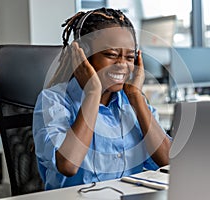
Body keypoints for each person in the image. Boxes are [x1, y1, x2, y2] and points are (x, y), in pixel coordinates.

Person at [33, 7, 172, 190]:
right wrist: (92, 93)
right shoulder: (54, 101)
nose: (122, 65)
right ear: (82, 55)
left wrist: (136, 97)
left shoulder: (132, 102)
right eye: (111, 55)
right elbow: (68, 165)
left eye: (130, 57)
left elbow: (170, 161)